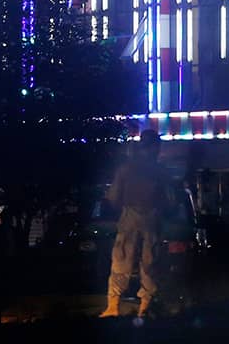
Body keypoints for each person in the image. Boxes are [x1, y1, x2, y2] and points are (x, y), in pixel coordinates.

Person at [100, 129, 166, 318]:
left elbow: (113, 197)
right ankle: (136, 306)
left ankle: (126, 306)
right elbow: (169, 200)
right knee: (142, 261)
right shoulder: (150, 170)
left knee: (137, 261)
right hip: (144, 217)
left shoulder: (131, 169)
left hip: (138, 216)